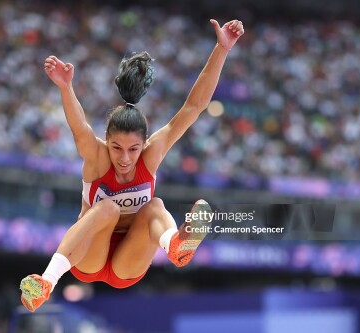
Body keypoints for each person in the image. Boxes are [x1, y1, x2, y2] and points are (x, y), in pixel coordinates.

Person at [20, 18, 244, 312]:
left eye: (133, 149)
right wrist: (65, 88)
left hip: (129, 260)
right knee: (108, 208)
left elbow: (193, 107)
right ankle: (46, 283)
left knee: (155, 205)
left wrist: (221, 50)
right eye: (116, 148)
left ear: (145, 144)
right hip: (88, 257)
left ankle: (176, 246)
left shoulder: (152, 154)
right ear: (106, 141)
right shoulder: (97, 156)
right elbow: (78, 127)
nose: (125, 159)